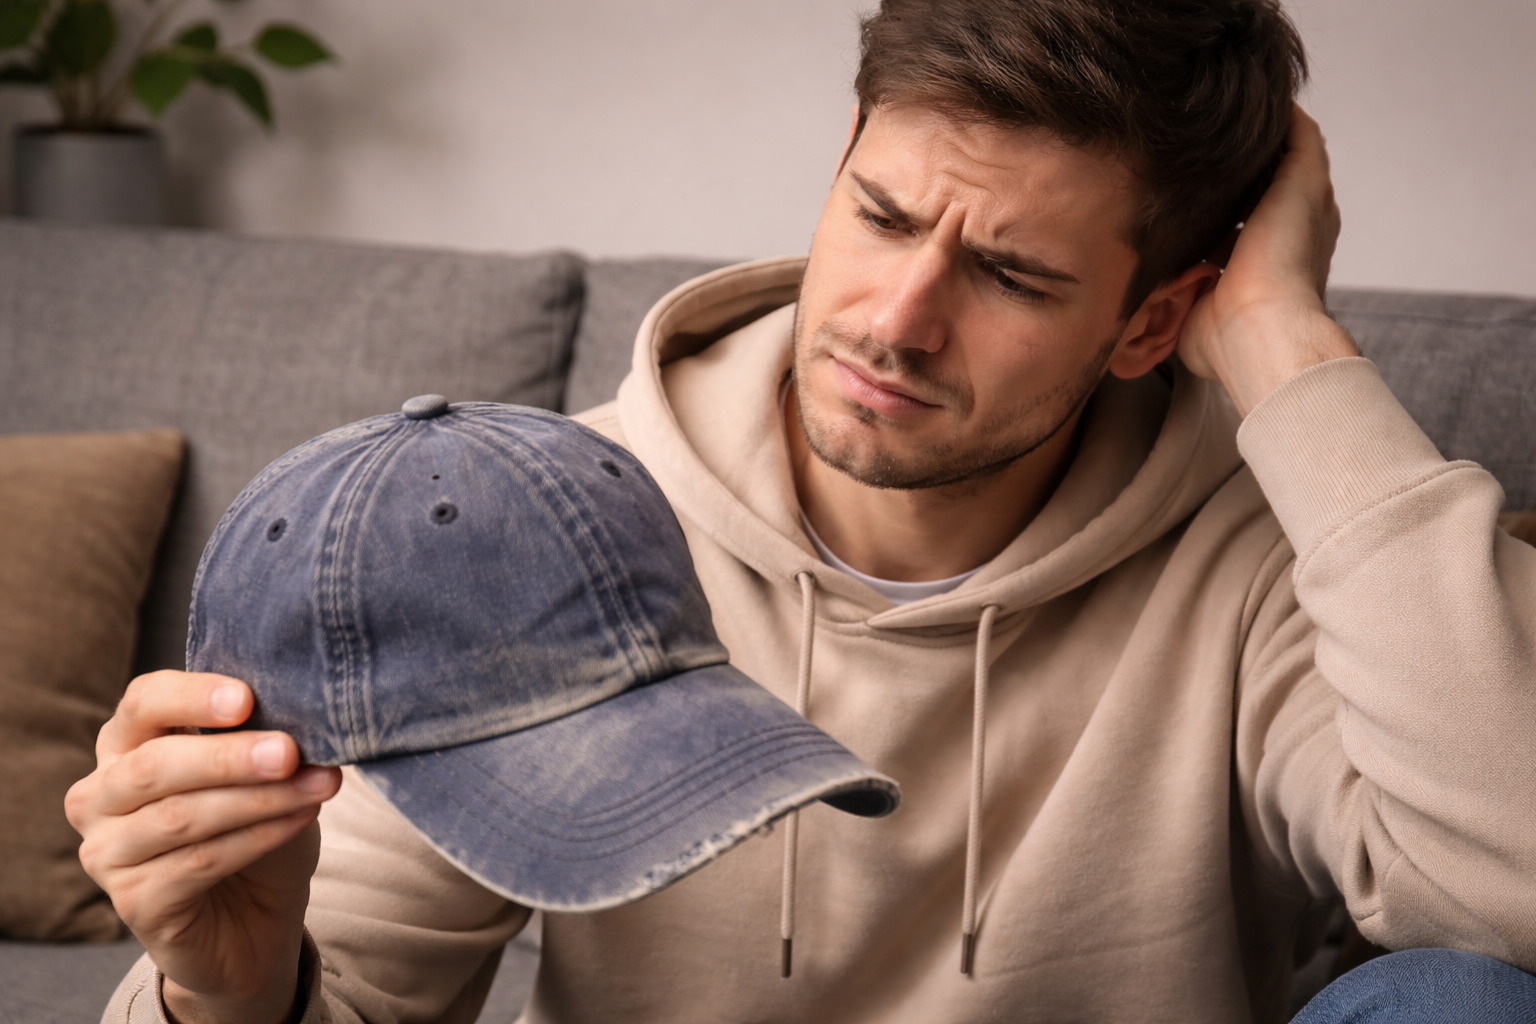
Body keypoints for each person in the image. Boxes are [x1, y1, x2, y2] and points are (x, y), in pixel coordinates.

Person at [68, 1, 1536, 1022]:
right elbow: (347, 992)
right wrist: (227, 991)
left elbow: (1508, 900)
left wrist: (1288, 346)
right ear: (841, 158)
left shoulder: (1280, 551)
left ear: (1153, 322)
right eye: (881, 215)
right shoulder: (542, 530)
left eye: (1012, 276)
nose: (896, 321)